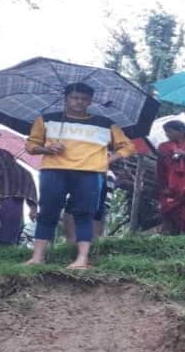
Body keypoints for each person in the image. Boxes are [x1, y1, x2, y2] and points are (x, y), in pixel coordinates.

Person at [24, 82, 136, 268]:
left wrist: (108, 160)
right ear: (66, 98)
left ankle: (82, 259)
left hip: (89, 172)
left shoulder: (105, 124)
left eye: (84, 99)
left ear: (90, 101)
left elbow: (128, 146)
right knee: (48, 212)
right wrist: (47, 148)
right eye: (75, 97)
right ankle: (37, 258)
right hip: (54, 169)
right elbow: (30, 145)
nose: (79, 102)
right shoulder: (46, 119)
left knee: (85, 214)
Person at [156, 120, 185, 234]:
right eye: (166, 132)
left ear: (181, 131)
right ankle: (168, 236)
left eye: (169, 131)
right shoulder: (164, 147)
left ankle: (184, 236)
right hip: (171, 185)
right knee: (169, 211)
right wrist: (163, 186)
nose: (167, 135)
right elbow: (160, 169)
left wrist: (183, 154)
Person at [0, 149, 38, 245]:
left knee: (5, 230)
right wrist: (33, 208)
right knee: (4, 231)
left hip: (10, 206)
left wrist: (33, 209)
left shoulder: (20, 172)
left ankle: (4, 253)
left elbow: (30, 190)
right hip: (4, 206)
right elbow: (31, 190)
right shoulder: (23, 172)